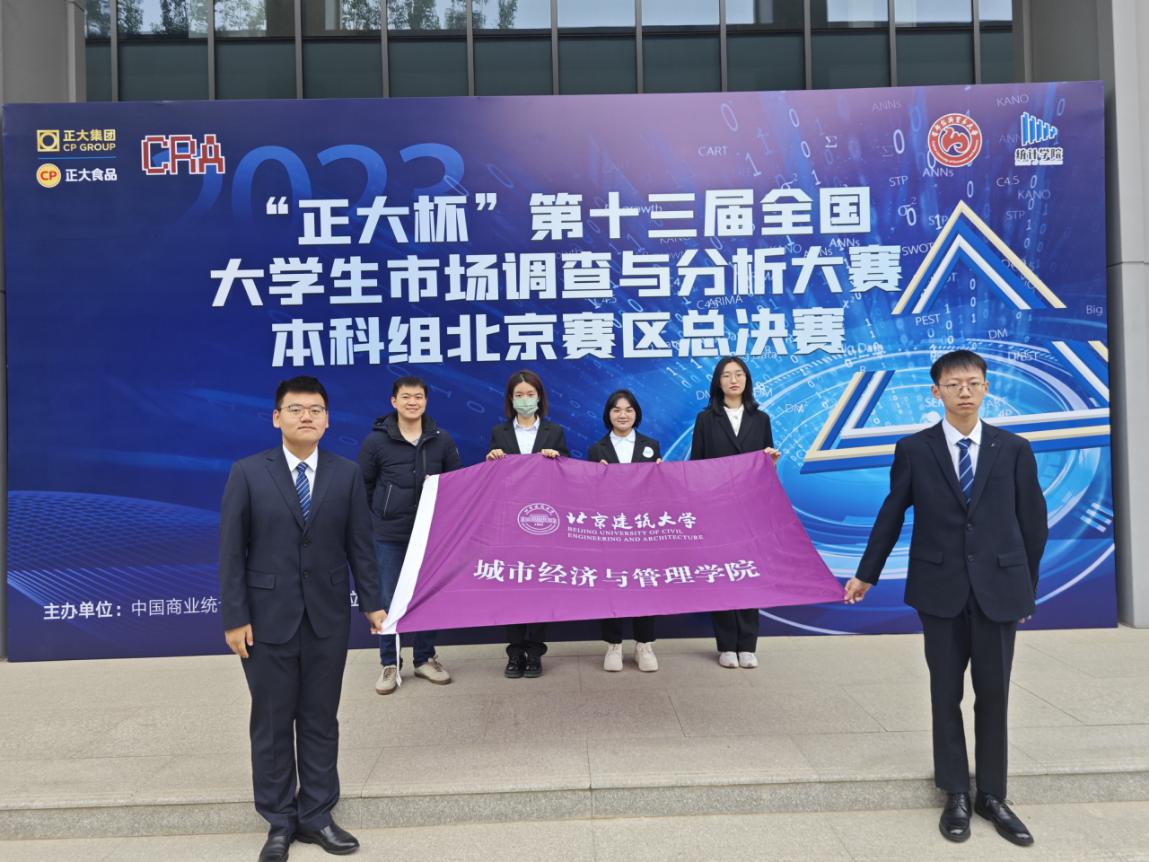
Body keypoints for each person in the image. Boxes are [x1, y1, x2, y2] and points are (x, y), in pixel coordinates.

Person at [844, 350, 1047, 847]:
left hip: (999, 590)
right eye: (953, 384)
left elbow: (1032, 523)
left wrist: (1025, 589)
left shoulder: (1013, 448)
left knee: (994, 695)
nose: (964, 391)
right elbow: (892, 512)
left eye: (973, 383)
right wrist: (866, 573)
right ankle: (955, 791)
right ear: (936, 392)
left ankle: (992, 795)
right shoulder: (915, 449)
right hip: (940, 590)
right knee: (945, 693)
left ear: (986, 388)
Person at [219, 376, 386, 862]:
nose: (306, 417)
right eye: (295, 409)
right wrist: (235, 617)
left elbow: (360, 545)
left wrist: (372, 602)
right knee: (272, 722)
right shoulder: (248, 473)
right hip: (265, 620)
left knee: (319, 719)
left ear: (328, 420)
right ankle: (278, 821)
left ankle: (316, 815)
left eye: (315, 410)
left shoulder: (346, 474)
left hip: (326, 618)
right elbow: (231, 551)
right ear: (277, 418)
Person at [358, 375, 462, 696]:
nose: (412, 402)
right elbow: (364, 486)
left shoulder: (441, 439)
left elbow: (455, 484)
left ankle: (424, 658)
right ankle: (389, 663)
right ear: (394, 401)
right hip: (390, 533)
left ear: (426, 401)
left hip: (431, 533)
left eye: (418, 397)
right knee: (389, 599)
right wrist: (381, 513)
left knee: (426, 596)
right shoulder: (376, 442)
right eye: (406, 397)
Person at [689, 356, 780, 669]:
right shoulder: (705, 420)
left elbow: (765, 463)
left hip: (752, 509)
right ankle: (727, 645)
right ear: (718, 382)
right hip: (717, 510)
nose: (733, 380)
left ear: (747, 380)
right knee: (724, 575)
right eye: (726, 375)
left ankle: (748, 645)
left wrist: (771, 462)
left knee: (749, 574)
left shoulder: (761, 418)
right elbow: (697, 466)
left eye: (739, 374)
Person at [486, 369, 569, 678]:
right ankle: (514, 653)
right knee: (512, 587)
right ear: (510, 399)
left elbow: (569, 473)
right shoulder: (500, 432)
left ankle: (534, 653)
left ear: (539, 397)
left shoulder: (553, 431)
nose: (524, 400)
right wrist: (491, 459)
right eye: (519, 395)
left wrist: (557, 459)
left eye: (530, 394)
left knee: (539, 586)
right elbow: (492, 479)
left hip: (543, 521)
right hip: (509, 522)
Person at [587, 389, 662, 672]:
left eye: (629, 410)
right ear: (608, 414)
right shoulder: (597, 449)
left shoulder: (651, 445)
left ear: (636, 414)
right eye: (617, 409)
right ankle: (614, 644)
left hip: (643, 530)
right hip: (611, 530)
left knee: (644, 584)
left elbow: (658, 491)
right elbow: (588, 493)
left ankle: (644, 644)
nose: (623, 415)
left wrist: (662, 474)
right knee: (612, 585)